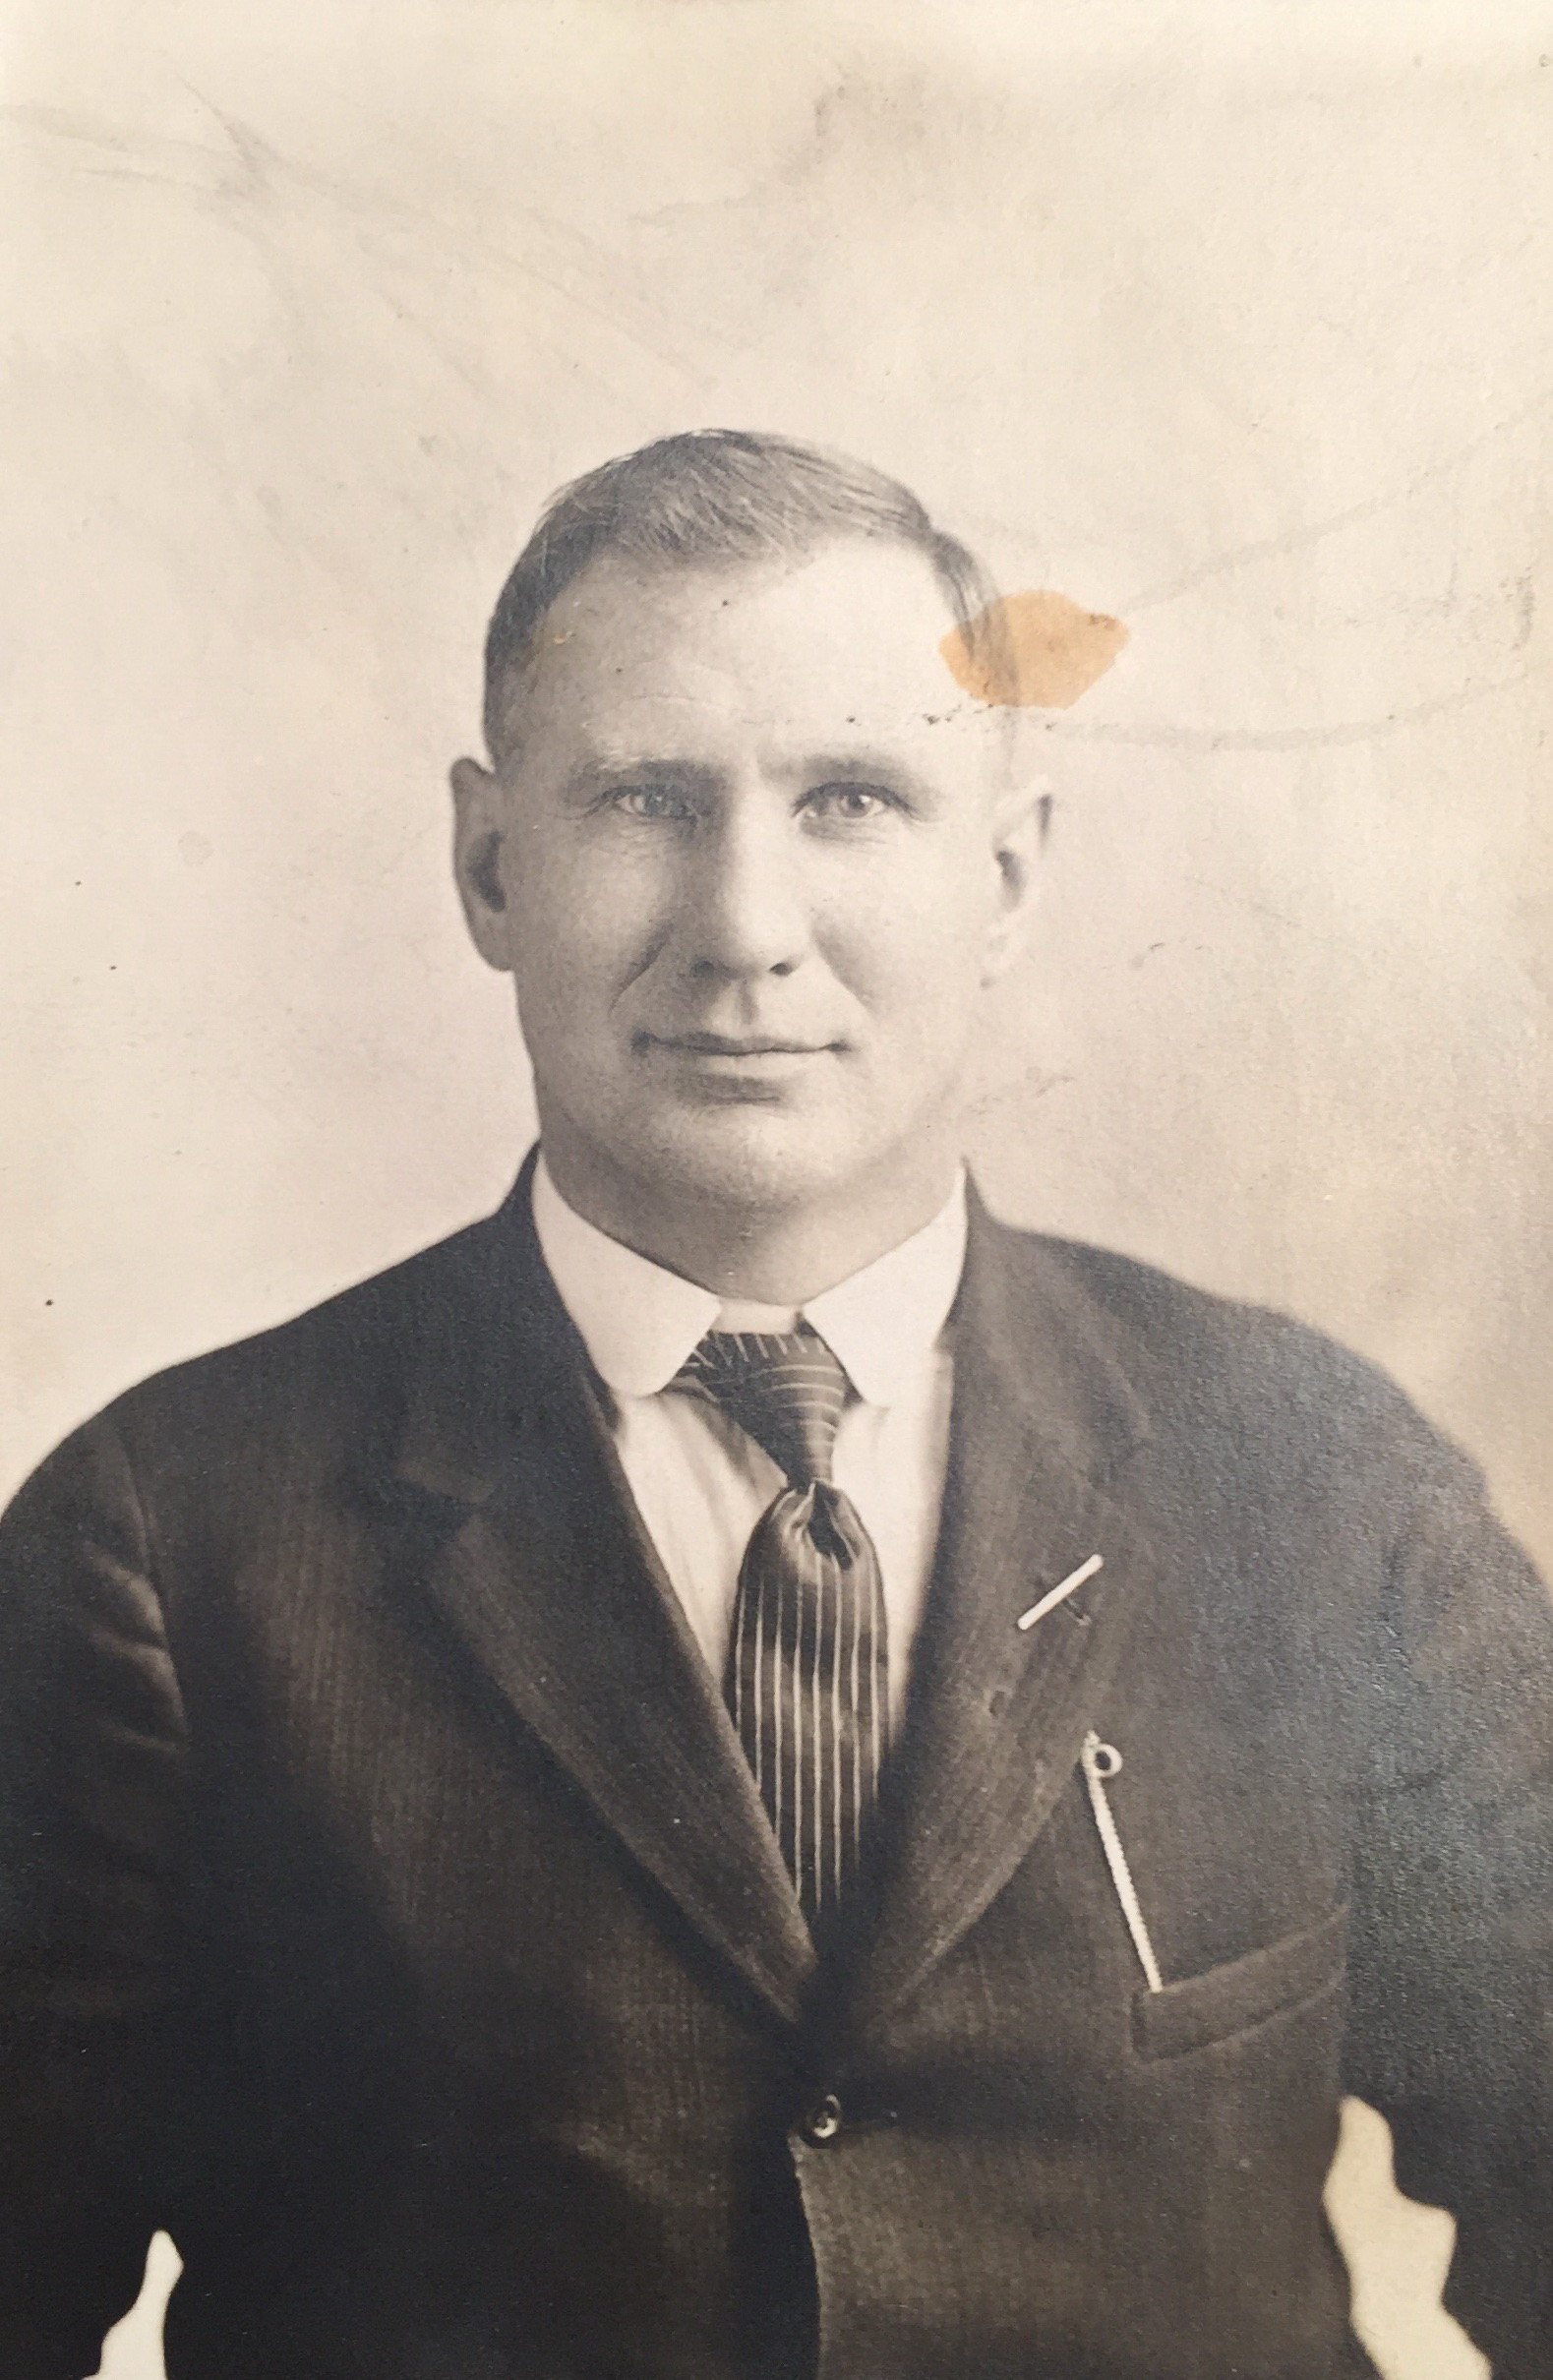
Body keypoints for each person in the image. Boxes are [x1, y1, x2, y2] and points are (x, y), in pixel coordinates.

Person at [1, 429, 1549, 2380]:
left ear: (1006, 873)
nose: (744, 925)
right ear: (490, 863)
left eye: (850, 800)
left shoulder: (1319, 1486)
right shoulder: (167, 1542)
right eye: (645, 798)